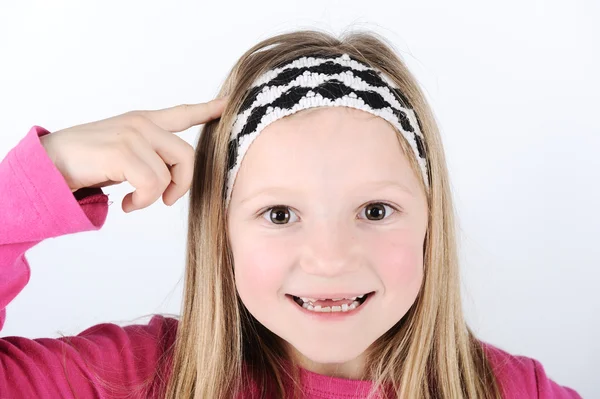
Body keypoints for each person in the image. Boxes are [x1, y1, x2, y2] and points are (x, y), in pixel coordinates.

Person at [0, 30, 582, 399]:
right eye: (279, 214)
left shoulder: (511, 390)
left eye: (375, 210)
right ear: (222, 236)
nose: (329, 258)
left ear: (432, 225)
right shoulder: (131, 380)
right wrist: (42, 174)